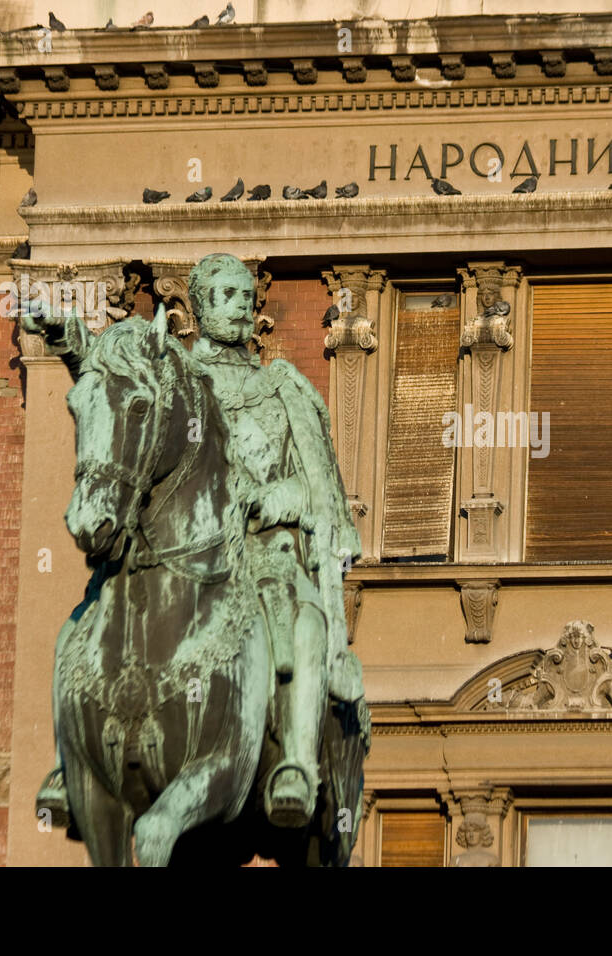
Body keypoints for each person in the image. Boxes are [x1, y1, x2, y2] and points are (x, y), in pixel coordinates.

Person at [28, 253, 363, 830]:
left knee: (304, 619)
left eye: (244, 296)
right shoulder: (175, 375)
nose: (237, 306)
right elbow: (114, 383)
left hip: (260, 550)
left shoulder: (283, 389)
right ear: (200, 305)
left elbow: (318, 492)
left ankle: (297, 763)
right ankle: (73, 761)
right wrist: (70, 338)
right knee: (85, 618)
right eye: (224, 296)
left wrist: (275, 498)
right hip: (174, 548)